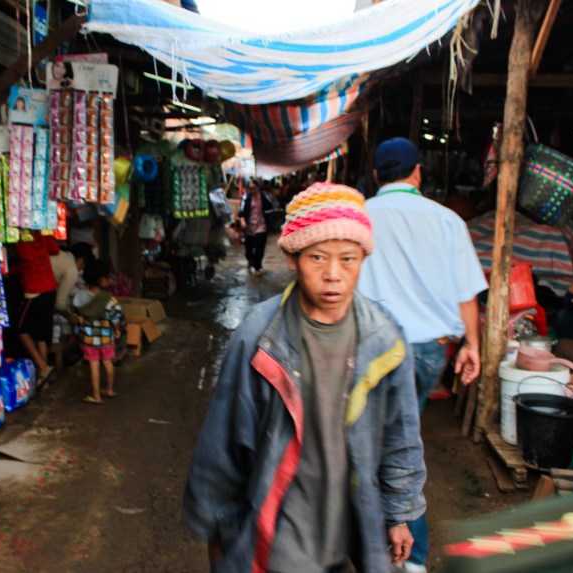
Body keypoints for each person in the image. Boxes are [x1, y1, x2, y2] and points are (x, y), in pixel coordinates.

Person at [183, 183, 426, 573]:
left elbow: (401, 435)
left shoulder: (384, 339)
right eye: (317, 257)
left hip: (347, 533)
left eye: (348, 259)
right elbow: (223, 443)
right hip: (279, 534)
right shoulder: (259, 337)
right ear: (292, 258)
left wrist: (399, 513)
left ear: (364, 257)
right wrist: (216, 527)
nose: (333, 275)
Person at [356, 137, 487, 573]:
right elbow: (466, 293)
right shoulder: (447, 220)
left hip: (370, 347)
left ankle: (399, 549)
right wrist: (472, 345)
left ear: (377, 175)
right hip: (429, 352)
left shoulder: (360, 216)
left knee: (380, 443)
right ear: (417, 172)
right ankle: (407, 554)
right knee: (402, 441)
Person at [72, 259, 123, 405]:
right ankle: (109, 389)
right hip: (106, 338)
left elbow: (74, 314)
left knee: (94, 366)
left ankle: (96, 396)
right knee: (108, 363)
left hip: (88, 339)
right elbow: (115, 317)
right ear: (102, 280)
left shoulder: (79, 296)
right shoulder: (109, 300)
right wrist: (117, 330)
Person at [14, 231, 59, 386]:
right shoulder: (41, 232)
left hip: (34, 289)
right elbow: (55, 250)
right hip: (50, 287)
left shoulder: (21, 235)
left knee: (20, 329)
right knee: (40, 334)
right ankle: (43, 379)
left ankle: (43, 367)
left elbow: (25, 258)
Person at [237, 180, 273, 276]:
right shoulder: (246, 197)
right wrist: (242, 221)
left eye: (254, 188)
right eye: (250, 188)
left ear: (258, 187)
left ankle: (257, 267)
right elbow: (241, 210)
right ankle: (250, 260)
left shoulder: (264, 196)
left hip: (261, 225)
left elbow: (271, 206)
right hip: (249, 226)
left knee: (259, 247)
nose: (252, 190)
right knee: (248, 249)